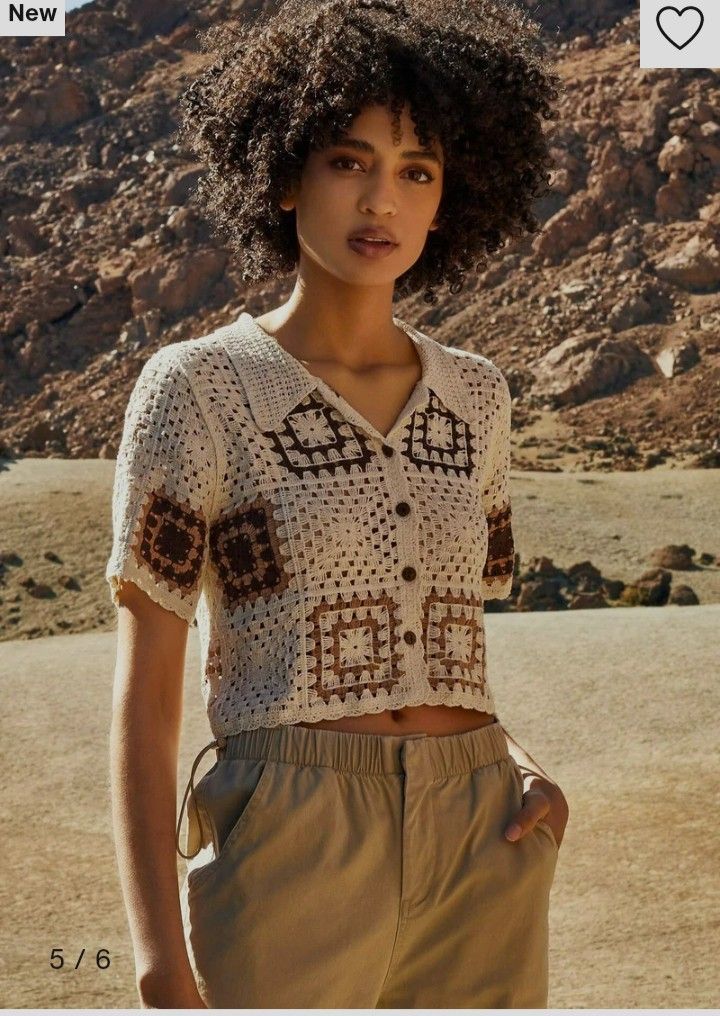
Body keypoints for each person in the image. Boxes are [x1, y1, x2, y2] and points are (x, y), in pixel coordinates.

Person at [107, 0, 568, 1007]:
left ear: (449, 199)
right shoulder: (199, 388)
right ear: (284, 175)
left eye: (416, 170)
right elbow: (146, 694)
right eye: (348, 160)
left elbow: (451, 633)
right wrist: (157, 956)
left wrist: (521, 762)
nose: (382, 200)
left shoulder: (478, 395)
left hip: (483, 837)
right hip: (289, 837)